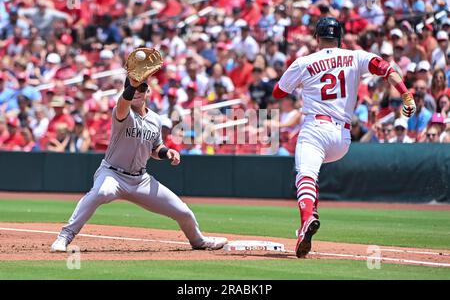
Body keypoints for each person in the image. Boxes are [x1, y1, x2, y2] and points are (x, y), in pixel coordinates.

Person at [271, 17, 416, 258]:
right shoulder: (355, 56)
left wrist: (302, 83)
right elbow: (386, 68)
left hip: (315, 128)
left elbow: (278, 92)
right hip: (342, 138)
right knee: (311, 177)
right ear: (339, 37)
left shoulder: (304, 61)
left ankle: (307, 219)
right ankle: (305, 223)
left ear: (317, 38)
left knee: (305, 175)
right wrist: (405, 94)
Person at [50, 72, 227, 252]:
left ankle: (198, 241)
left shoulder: (156, 120)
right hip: (113, 174)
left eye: (141, 87)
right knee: (101, 192)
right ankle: (64, 237)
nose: (137, 91)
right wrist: (132, 86)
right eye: (132, 87)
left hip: (140, 180)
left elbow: (155, 149)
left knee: (182, 211)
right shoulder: (122, 112)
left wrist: (167, 153)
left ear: (148, 90)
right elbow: (122, 103)